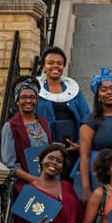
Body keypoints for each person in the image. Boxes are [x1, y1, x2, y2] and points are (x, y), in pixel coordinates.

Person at [1, 79, 53, 223]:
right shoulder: (10, 126)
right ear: (17, 100)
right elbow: (9, 163)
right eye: (24, 97)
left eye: (32, 97)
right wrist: (35, 181)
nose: (28, 100)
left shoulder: (43, 122)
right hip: (26, 186)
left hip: (46, 184)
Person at [78, 68, 112, 202]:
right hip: (98, 173)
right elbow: (84, 156)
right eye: (104, 90)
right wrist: (85, 188)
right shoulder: (90, 120)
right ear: (97, 95)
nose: (109, 92)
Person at [34, 46, 90, 174]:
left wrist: (79, 144)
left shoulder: (74, 91)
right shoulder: (35, 92)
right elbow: (32, 120)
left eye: (59, 63)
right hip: (46, 149)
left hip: (72, 150)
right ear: (43, 67)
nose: (55, 66)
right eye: (50, 63)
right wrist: (46, 142)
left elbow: (86, 118)